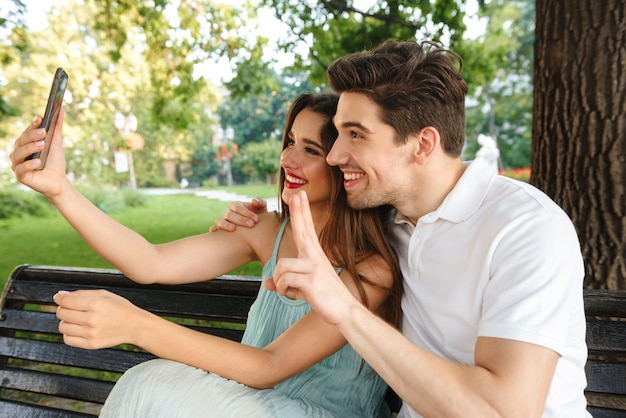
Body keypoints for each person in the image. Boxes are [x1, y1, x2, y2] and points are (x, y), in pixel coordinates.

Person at [213, 40, 590, 417]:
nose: (334, 155)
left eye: (356, 134)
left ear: (423, 145)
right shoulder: (385, 224)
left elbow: (504, 411)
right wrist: (249, 219)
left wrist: (345, 309)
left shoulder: (526, 229)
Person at [10, 92, 402, 417]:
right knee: (147, 387)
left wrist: (137, 326)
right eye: (289, 142)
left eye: (311, 149)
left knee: (149, 385)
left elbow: (270, 367)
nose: (288, 160)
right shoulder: (266, 230)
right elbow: (149, 261)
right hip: (244, 404)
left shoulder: (370, 268)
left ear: (341, 163)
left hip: (315, 413)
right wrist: (59, 189)